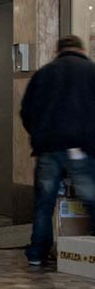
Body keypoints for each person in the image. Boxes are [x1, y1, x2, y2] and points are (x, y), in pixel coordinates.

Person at [20, 34, 95, 266]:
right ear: (82, 50)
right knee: (91, 199)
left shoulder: (44, 73)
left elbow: (26, 111)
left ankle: (37, 254)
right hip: (81, 148)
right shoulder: (91, 71)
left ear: (58, 51)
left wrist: (39, 135)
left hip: (49, 148)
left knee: (44, 202)